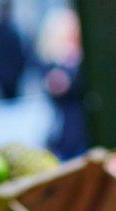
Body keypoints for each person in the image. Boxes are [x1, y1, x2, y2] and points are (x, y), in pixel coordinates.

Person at [37, 7, 87, 159]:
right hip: (67, 136)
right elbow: (56, 85)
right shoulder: (54, 63)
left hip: (82, 133)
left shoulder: (79, 59)